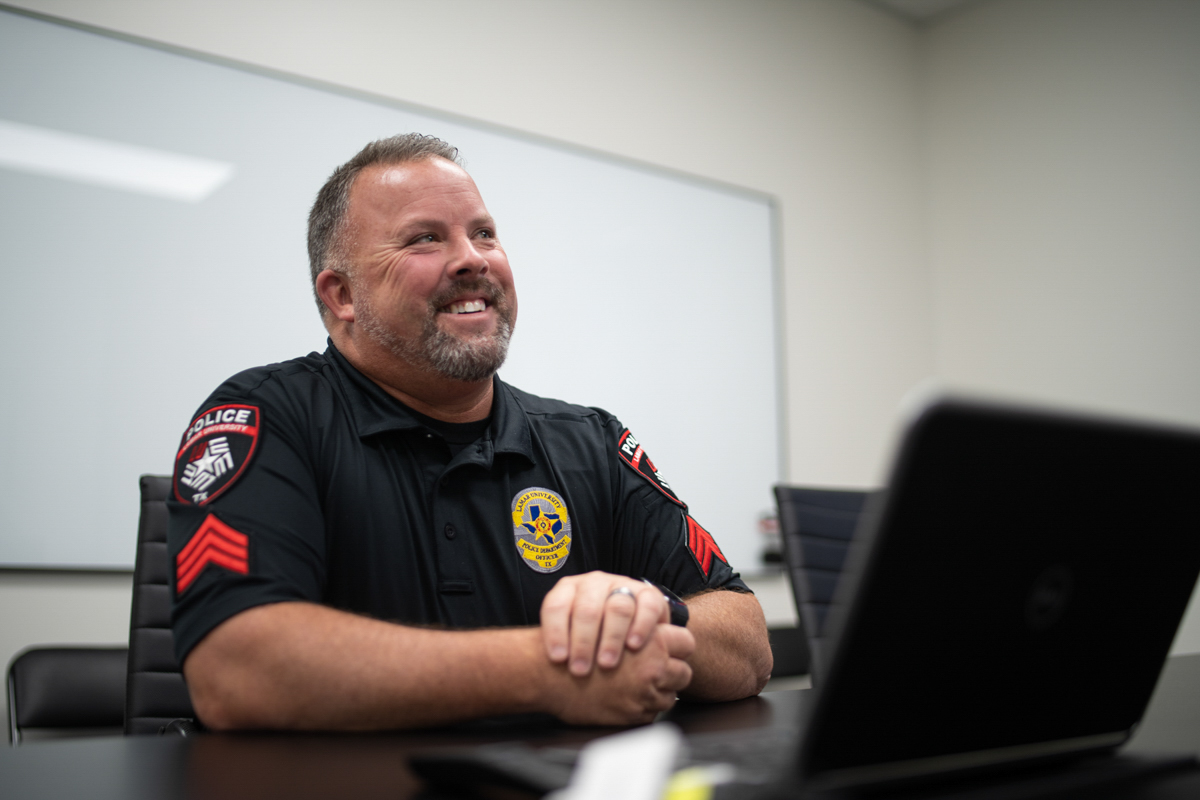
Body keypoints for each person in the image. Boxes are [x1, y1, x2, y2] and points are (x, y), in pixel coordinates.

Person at [168, 133, 773, 731]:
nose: (474, 259)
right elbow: (235, 669)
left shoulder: (590, 442)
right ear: (343, 294)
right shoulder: (263, 417)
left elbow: (747, 641)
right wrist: (547, 672)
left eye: (483, 233)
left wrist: (644, 618)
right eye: (425, 238)